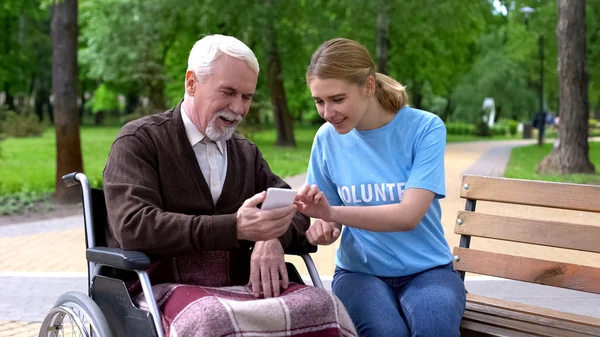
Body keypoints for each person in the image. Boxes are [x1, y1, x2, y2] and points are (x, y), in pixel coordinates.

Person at [103, 34, 356, 337]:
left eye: (247, 97)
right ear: (192, 83)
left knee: (323, 304)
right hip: (159, 284)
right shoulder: (141, 142)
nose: (238, 108)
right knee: (210, 319)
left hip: (242, 283)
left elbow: (296, 208)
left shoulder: (245, 154)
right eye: (228, 92)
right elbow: (133, 226)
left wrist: (270, 237)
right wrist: (235, 227)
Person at [295, 38, 466, 336]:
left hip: (428, 270)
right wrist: (324, 226)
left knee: (434, 329)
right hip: (359, 274)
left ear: (369, 87)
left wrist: (332, 212)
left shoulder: (425, 128)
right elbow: (329, 220)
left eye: (337, 99)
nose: (327, 112)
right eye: (319, 101)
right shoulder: (326, 139)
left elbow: (408, 216)